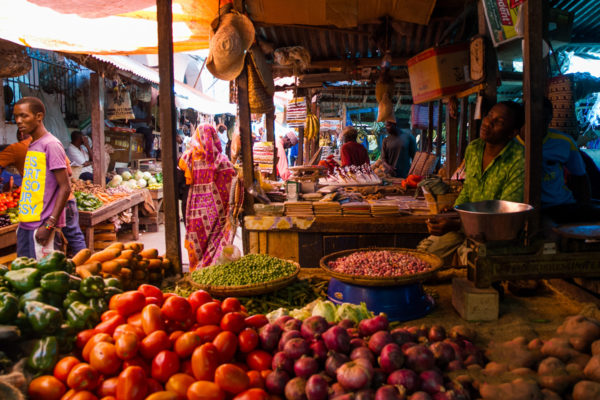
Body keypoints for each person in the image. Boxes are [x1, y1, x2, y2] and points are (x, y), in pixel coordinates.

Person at [422, 101, 525, 264]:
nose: (488, 123)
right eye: (490, 115)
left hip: (495, 237)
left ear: (512, 133)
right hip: (465, 226)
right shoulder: (475, 149)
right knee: (423, 255)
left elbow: (504, 216)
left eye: (499, 122)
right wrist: (454, 211)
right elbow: (468, 190)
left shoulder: (519, 159)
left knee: (473, 263)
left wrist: (456, 224)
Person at [14, 97, 71, 258]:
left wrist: (49, 225)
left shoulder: (51, 145)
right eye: (16, 116)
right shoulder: (33, 145)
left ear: (39, 116)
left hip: (42, 226)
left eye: (24, 116)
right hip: (26, 225)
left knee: (44, 279)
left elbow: (65, 187)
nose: (18, 121)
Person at [178, 124, 236, 270]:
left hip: (193, 213)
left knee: (196, 243)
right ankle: (212, 270)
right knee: (216, 241)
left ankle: (197, 271)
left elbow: (179, 185)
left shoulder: (187, 159)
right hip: (218, 214)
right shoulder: (222, 162)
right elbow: (235, 182)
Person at [535, 99, 600, 224]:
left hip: (559, 205)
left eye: (544, 119)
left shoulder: (564, 142)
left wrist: (584, 206)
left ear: (550, 119)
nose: (538, 122)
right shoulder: (512, 141)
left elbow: (581, 178)